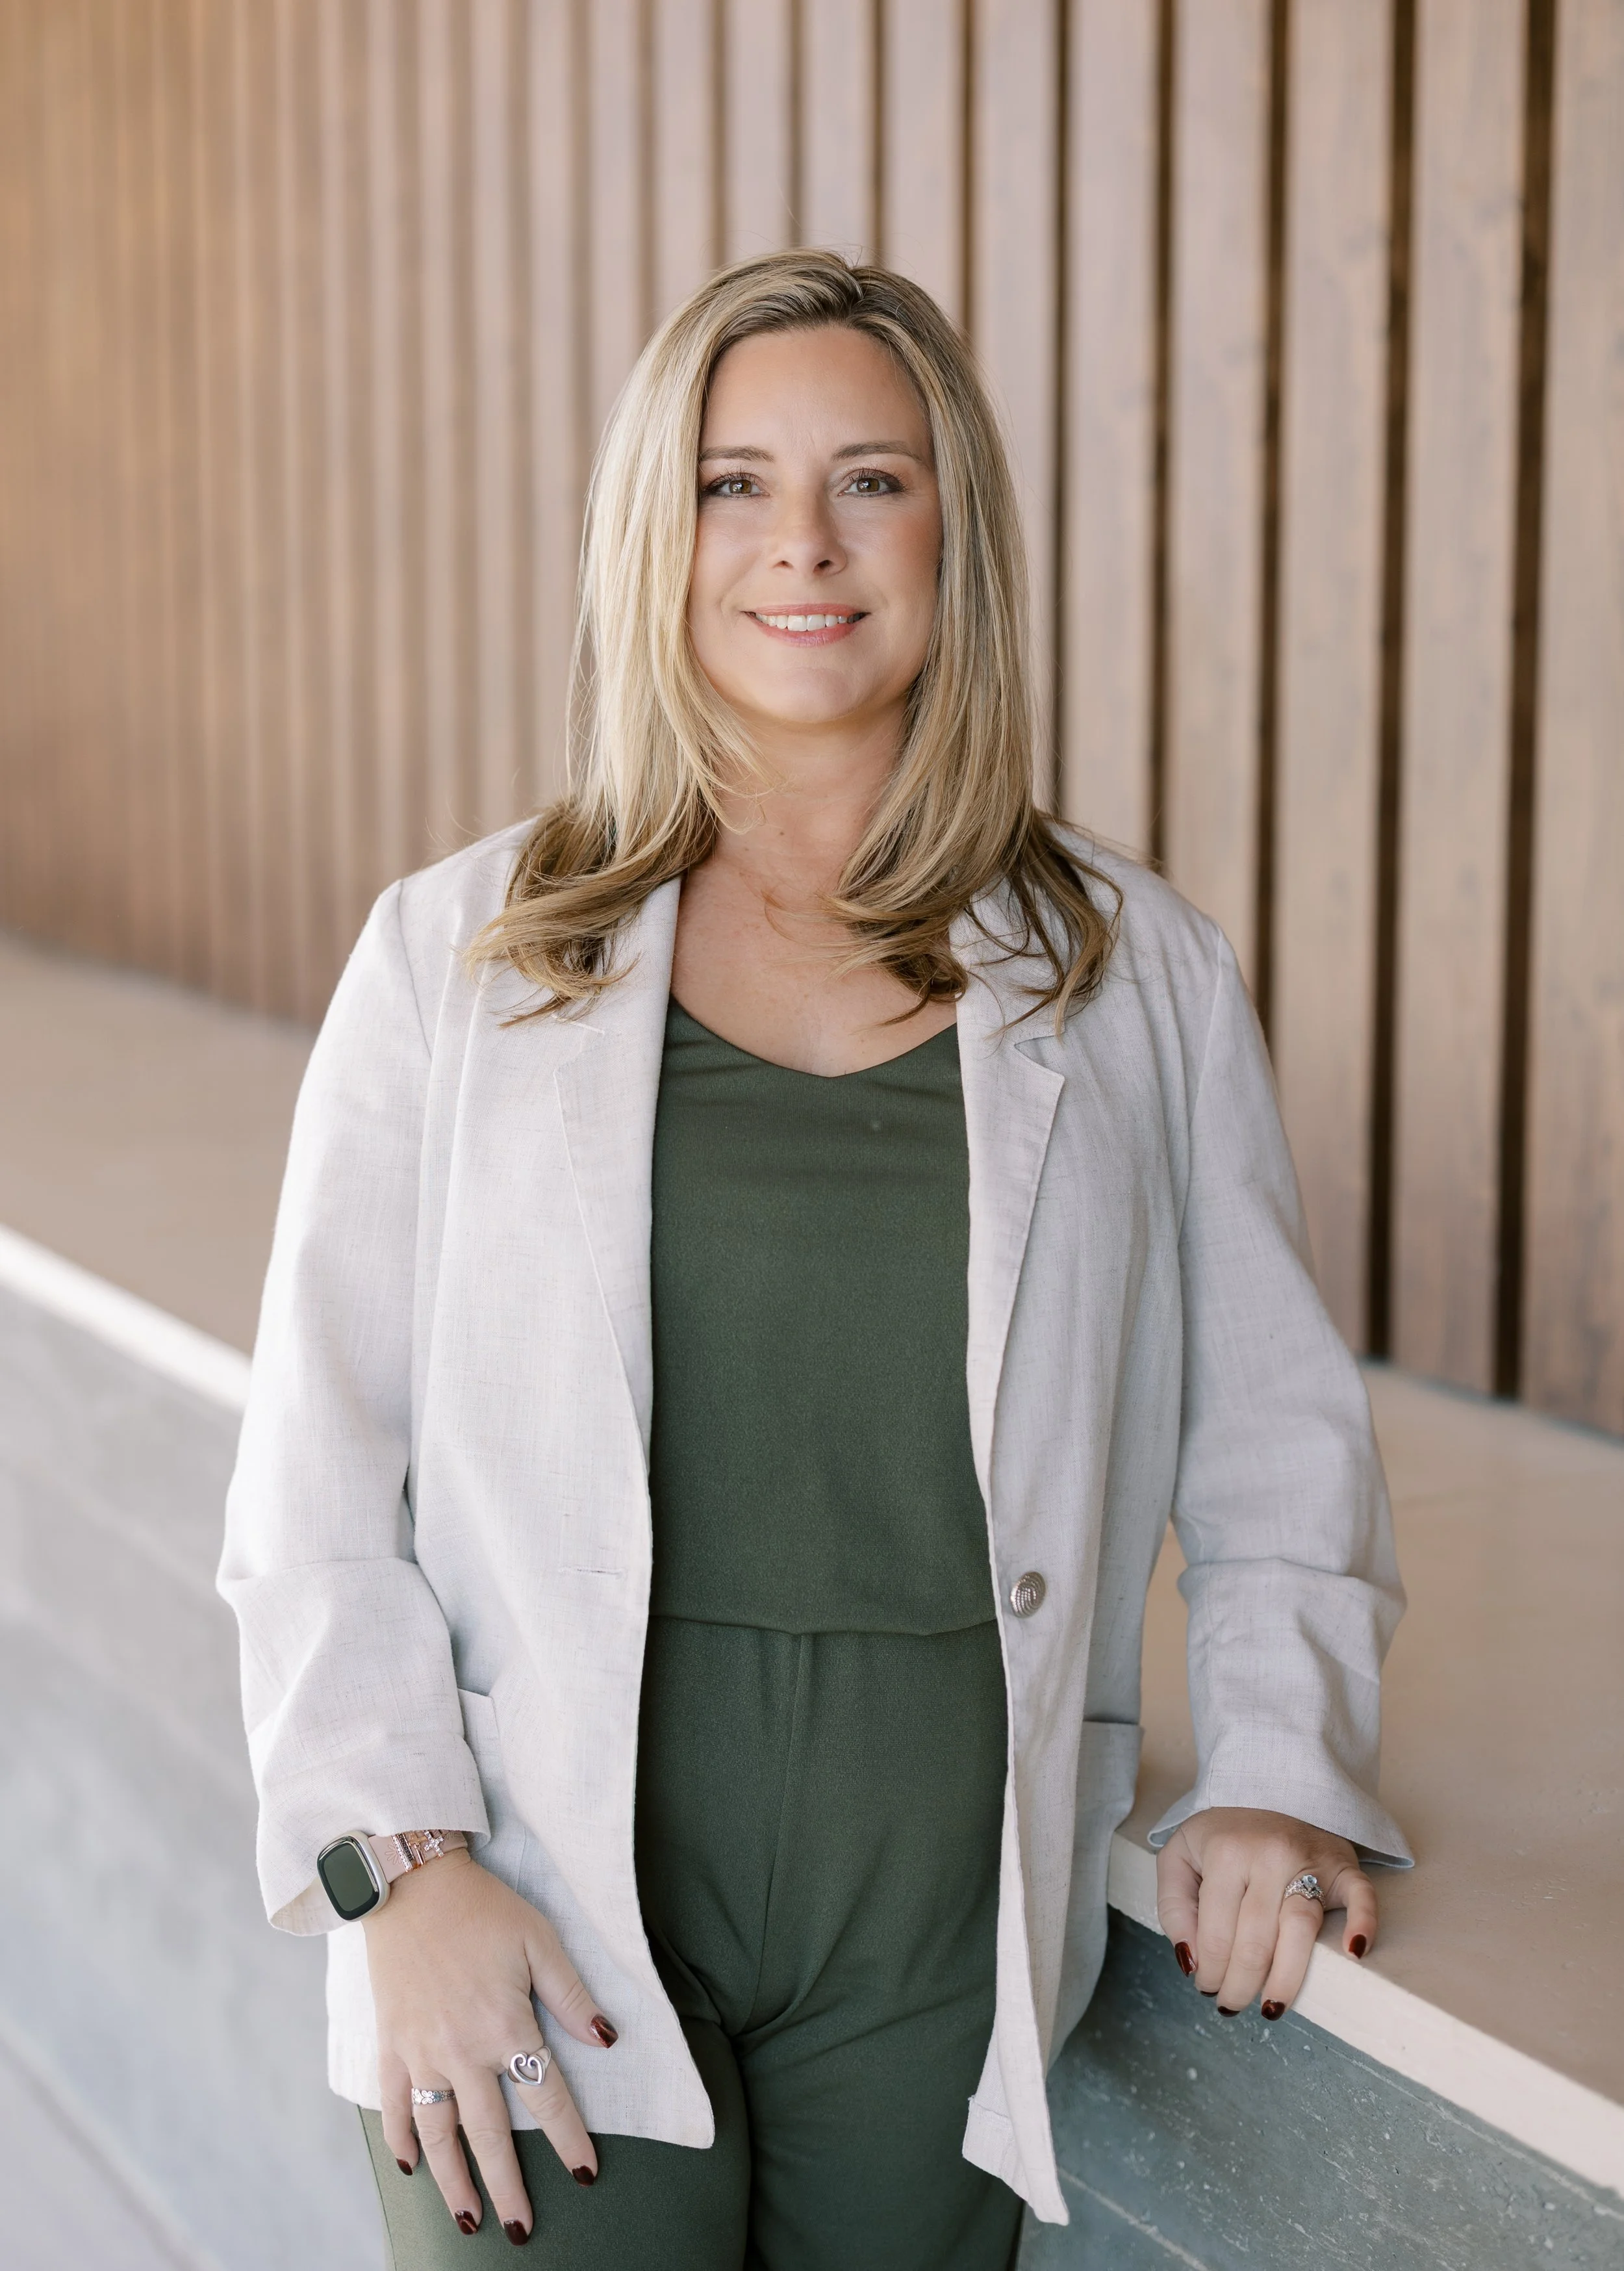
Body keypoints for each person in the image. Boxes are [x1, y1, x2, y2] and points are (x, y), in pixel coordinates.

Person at [219, 250, 1412, 2268]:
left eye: (869, 480)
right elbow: (321, 1464)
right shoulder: (461, 953)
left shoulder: (1131, 972)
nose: (801, 544)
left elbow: (1274, 1431)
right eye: (728, 482)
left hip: (937, 1909)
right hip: (542, 1892)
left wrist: (1284, 1771)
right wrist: (394, 1869)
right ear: (651, 534)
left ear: (956, 534)